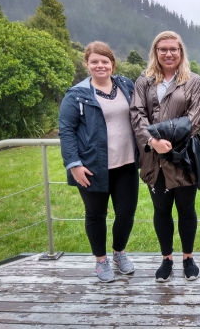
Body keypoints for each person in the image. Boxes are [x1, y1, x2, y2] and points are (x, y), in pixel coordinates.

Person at [59, 41, 139, 283]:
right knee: (95, 215)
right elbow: (66, 130)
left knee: (126, 214)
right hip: (92, 167)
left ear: (112, 64)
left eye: (105, 61)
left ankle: (119, 253)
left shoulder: (126, 85)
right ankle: (101, 260)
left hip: (126, 164)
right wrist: (73, 164)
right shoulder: (77, 95)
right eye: (95, 61)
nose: (100, 65)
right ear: (87, 64)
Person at [130, 31, 200, 282]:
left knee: (186, 209)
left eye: (173, 49)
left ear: (181, 52)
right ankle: (166, 259)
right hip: (153, 158)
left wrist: (167, 141)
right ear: (156, 52)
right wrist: (153, 141)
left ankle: (188, 257)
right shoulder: (144, 81)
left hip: (183, 157)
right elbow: (136, 113)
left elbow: (194, 120)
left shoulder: (193, 81)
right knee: (161, 210)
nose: (168, 53)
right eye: (163, 49)